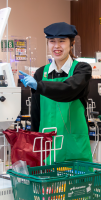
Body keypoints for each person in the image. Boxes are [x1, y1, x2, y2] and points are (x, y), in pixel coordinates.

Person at [20, 22, 92, 163]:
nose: (56, 46)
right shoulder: (41, 73)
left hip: (74, 145)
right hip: (47, 145)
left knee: (77, 184)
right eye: (52, 41)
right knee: (49, 184)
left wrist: (39, 86)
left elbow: (68, 90)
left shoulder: (81, 69)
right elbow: (36, 112)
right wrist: (33, 140)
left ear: (71, 44)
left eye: (62, 41)